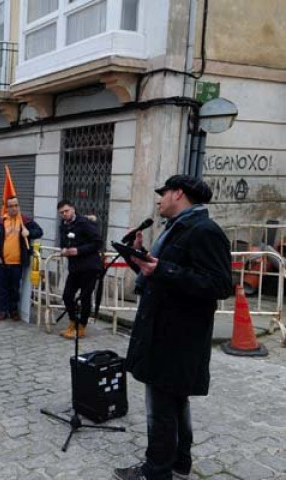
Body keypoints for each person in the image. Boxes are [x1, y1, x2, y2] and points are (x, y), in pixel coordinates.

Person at [114, 175, 232, 480]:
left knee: (161, 408)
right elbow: (161, 275)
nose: (158, 199)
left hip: (177, 336)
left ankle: (156, 472)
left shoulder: (204, 231)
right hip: (163, 329)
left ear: (178, 193)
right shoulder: (176, 229)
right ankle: (179, 464)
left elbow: (219, 284)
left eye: (162, 193)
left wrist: (161, 268)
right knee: (175, 402)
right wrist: (137, 257)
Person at [0, 196, 43, 320]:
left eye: (16, 205)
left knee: (14, 289)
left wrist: (29, 233)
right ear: (6, 208)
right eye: (11, 206)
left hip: (17, 263)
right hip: (2, 262)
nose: (14, 208)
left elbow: (39, 231)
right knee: (2, 288)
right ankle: (3, 310)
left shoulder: (25, 221)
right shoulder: (0, 222)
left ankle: (13, 310)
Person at [57, 200, 104, 339]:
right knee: (67, 295)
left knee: (85, 297)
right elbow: (63, 243)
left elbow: (98, 242)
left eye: (66, 211)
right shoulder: (63, 226)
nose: (64, 214)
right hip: (75, 267)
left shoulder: (84, 223)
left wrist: (78, 250)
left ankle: (82, 327)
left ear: (73, 209)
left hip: (89, 266)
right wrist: (64, 249)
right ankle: (72, 322)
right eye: (61, 213)